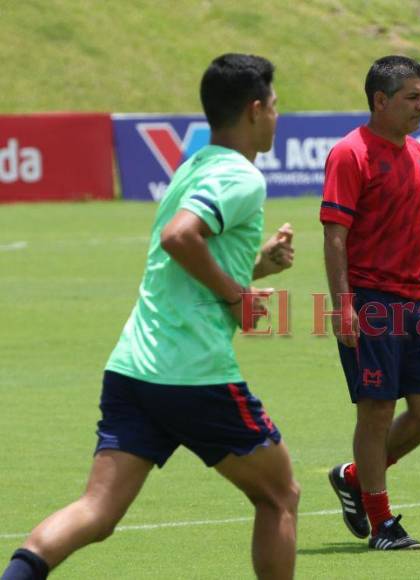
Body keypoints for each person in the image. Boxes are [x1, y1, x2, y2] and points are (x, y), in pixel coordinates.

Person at [1, 54, 299, 580]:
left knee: (96, 512)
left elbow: (181, 257)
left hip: (134, 369)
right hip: (193, 373)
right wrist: (237, 297)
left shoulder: (191, 167)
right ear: (255, 110)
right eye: (275, 106)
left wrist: (257, 266)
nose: (278, 116)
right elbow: (179, 238)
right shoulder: (241, 176)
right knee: (280, 494)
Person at [320, 55, 420, 551]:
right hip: (369, 300)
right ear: (380, 101)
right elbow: (335, 235)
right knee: (376, 411)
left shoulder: (419, 154)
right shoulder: (350, 154)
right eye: (412, 98)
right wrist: (343, 305)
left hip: (415, 301)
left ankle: (356, 477)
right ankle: (381, 524)